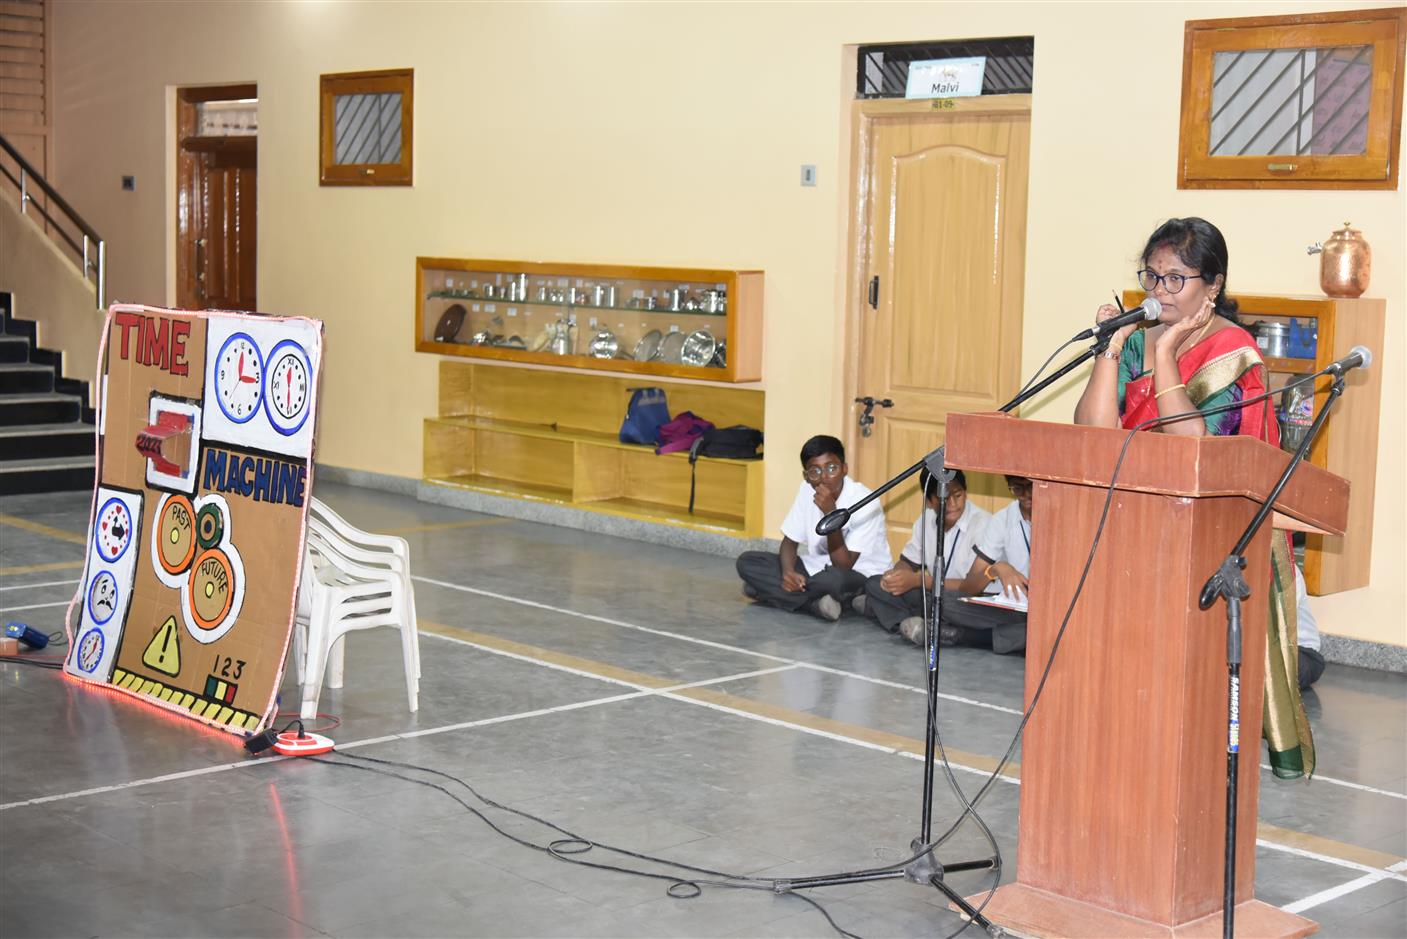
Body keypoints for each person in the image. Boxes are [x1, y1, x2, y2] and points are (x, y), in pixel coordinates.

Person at [1073, 215, 1314, 778]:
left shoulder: (1233, 350)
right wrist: (1110, 350)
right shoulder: (1137, 339)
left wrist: (1164, 357)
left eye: (1176, 278)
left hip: (1208, 539)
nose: (1159, 292)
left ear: (1214, 286)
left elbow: (1195, 449)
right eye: (1152, 277)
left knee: (1186, 689)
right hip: (1134, 530)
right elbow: (1094, 433)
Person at [736, 435, 892, 621]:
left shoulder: (866, 501)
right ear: (806, 476)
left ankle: (772, 592)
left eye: (832, 468)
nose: (824, 478)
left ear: (844, 469)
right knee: (748, 561)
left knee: (835, 581)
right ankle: (814, 604)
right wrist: (788, 573)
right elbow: (789, 542)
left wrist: (830, 514)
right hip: (815, 568)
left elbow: (843, 565)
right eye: (815, 472)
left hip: (859, 573)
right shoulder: (806, 490)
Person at [858, 468, 991, 637]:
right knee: (874, 583)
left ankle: (885, 612)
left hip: (966, 599)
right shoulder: (926, 519)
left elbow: (971, 587)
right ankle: (917, 626)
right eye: (943, 498)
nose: (953, 504)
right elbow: (908, 562)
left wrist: (916, 580)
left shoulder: (983, 524)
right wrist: (896, 577)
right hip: (933, 593)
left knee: (945, 606)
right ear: (929, 501)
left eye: (958, 495)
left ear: (965, 493)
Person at [910, 475, 1033, 655]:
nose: (1026, 495)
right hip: (1015, 609)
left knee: (1051, 627)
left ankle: (964, 636)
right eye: (1017, 489)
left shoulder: (1062, 515)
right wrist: (996, 569)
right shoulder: (1002, 520)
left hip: (1049, 611)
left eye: (1031, 487)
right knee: (942, 602)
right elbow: (968, 588)